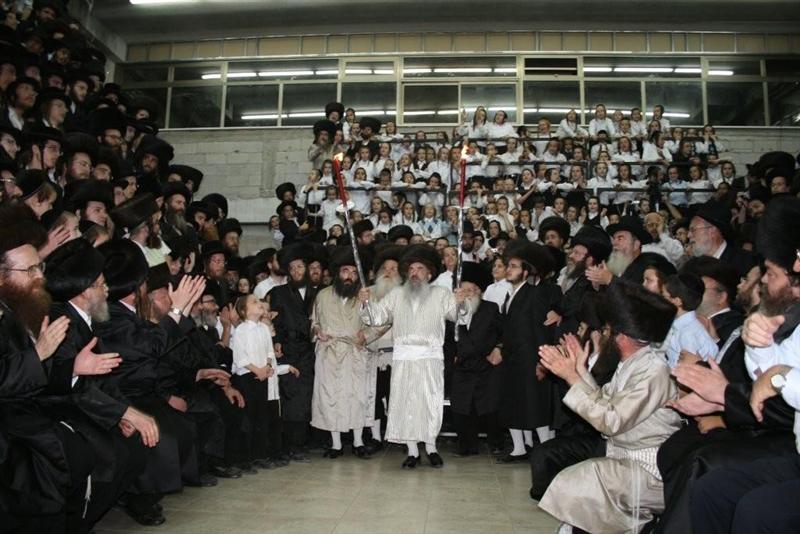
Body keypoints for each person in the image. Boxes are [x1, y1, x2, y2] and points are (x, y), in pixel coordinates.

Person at [537, 279, 682, 533]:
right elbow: (603, 402)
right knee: (580, 501)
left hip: (648, 469)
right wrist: (579, 371)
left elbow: (611, 421)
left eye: (607, 331)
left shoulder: (653, 370)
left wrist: (572, 376)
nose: (603, 336)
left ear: (622, 337)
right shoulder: (632, 363)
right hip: (623, 458)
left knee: (585, 479)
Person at [358, 244, 465, 468]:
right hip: (404, 358)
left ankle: (431, 448)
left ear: (429, 274)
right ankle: (413, 451)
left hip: (430, 358)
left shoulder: (441, 294)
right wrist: (366, 302)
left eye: (420, 269)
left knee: (429, 403)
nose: (415, 273)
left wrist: (460, 301)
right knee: (405, 403)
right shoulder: (396, 294)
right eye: (411, 269)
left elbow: (457, 316)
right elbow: (376, 318)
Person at [497, 240, 561, 462]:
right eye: (508, 266)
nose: (509, 269)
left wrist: (542, 361)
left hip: (530, 358)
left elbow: (540, 330)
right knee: (514, 403)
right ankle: (519, 448)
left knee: (535, 405)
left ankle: (545, 450)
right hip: (512, 359)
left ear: (525, 272)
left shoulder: (534, 294)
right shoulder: (510, 295)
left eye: (514, 266)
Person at [311, 247, 373, 459]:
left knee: (357, 397)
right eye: (346, 271)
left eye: (354, 272)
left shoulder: (365, 296)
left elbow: (377, 323)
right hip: (329, 353)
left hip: (355, 352)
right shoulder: (323, 295)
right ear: (338, 273)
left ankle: (358, 442)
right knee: (331, 397)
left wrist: (365, 335)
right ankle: (336, 444)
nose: (349, 276)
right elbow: (314, 322)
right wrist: (317, 331)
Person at [231, 293, 297, 469]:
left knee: (261, 417)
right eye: (254, 302)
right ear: (244, 311)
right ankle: (246, 458)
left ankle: (260, 455)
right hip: (247, 377)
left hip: (263, 376)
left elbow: (269, 351)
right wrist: (257, 370)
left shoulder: (264, 329)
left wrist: (267, 366)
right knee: (248, 418)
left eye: (259, 301)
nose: (259, 303)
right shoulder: (241, 330)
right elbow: (240, 357)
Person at [268, 243, 319, 462]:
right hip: (288, 350)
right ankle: (291, 444)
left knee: (307, 396)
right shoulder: (278, 293)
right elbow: (273, 321)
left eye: (300, 266)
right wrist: (276, 341)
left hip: (310, 351)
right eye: (292, 268)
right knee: (291, 397)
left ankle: (304, 441)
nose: (297, 271)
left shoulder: (318, 293)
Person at [450, 261, 504, 457]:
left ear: (480, 291)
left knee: (490, 408)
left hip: (486, 365)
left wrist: (499, 348)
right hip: (462, 366)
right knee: (462, 408)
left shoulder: (491, 308)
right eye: (464, 290)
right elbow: (446, 337)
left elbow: (504, 333)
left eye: (472, 290)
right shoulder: (451, 310)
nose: (468, 294)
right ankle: (467, 445)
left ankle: (496, 443)